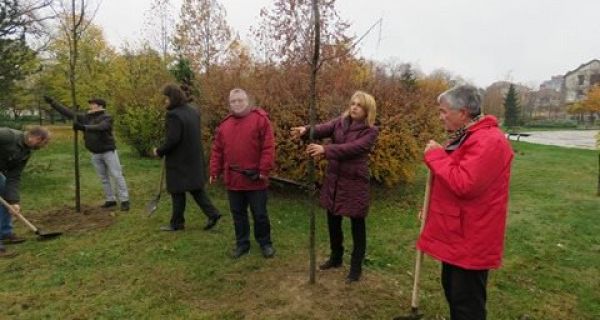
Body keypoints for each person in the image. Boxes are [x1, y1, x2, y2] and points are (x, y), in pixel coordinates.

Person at [417, 85, 514, 320]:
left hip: (473, 237)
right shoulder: (468, 136)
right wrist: (431, 211)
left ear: (462, 112)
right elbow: (450, 181)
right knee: (453, 292)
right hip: (459, 234)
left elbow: (464, 184)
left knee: (466, 305)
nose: (440, 116)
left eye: (443, 111)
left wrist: (436, 156)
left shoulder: (489, 141)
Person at [291, 91, 379, 283]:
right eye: (352, 103)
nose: (354, 107)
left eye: (359, 105)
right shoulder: (340, 122)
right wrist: (306, 130)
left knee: (357, 225)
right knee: (333, 220)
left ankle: (356, 268)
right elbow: (323, 129)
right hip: (335, 180)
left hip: (355, 183)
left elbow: (353, 148)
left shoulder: (371, 131)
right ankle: (336, 257)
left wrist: (326, 150)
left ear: (367, 110)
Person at [209, 88, 276, 259]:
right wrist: (214, 170)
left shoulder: (260, 120)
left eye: (240, 100)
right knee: (238, 215)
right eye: (233, 101)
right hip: (234, 179)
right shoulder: (224, 125)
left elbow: (268, 147)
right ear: (229, 104)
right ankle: (242, 244)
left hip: (255, 178)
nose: (237, 104)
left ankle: (265, 243)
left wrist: (263, 170)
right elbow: (217, 150)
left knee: (260, 214)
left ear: (247, 101)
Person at [153, 84, 221, 232]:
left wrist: (159, 151)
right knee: (196, 189)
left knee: (177, 191)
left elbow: (173, 139)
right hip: (194, 158)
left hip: (180, 160)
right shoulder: (193, 111)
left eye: (166, 98)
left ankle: (177, 223)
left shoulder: (173, 115)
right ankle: (213, 214)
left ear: (173, 98)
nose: (165, 102)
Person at [43, 96, 130, 211]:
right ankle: (110, 199)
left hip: (108, 152)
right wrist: (53, 103)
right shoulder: (86, 117)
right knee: (103, 178)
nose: (90, 105)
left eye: (93, 104)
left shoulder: (107, 117)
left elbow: (101, 127)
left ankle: (124, 200)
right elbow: (69, 113)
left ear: (100, 106)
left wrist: (83, 127)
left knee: (117, 175)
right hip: (95, 153)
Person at [0, 126, 51, 257]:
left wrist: (14, 201)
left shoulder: (25, 152)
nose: (43, 147)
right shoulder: (7, 135)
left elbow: (14, 176)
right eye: (43, 144)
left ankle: (5, 233)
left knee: (6, 191)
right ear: (37, 138)